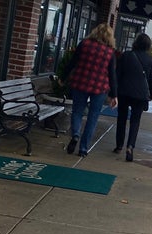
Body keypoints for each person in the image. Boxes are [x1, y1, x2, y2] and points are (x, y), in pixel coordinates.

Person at [62, 23, 118, 157]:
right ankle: (83, 148)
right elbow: (112, 75)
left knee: (77, 111)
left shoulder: (84, 44)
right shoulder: (110, 53)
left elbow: (72, 62)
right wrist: (114, 95)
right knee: (93, 116)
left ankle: (75, 134)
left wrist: (63, 77)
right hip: (99, 87)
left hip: (80, 83)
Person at [114, 33, 152, 161]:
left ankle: (119, 145)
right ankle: (130, 146)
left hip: (124, 92)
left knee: (121, 118)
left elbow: (117, 74)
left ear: (136, 43)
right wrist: (151, 95)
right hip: (140, 94)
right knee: (135, 121)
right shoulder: (150, 60)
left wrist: (114, 91)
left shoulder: (126, 55)